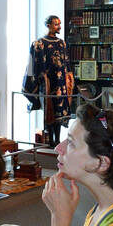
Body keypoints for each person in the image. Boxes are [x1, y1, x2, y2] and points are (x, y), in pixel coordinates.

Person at [29, 15, 74, 145]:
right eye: (56, 24)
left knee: (59, 111)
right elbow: (33, 65)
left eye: (59, 24)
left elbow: (66, 63)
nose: (59, 27)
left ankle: (58, 139)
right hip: (48, 83)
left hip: (61, 82)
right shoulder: (39, 44)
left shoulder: (61, 43)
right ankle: (50, 140)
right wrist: (38, 79)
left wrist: (69, 79)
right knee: (49, 111)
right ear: (48, 25)